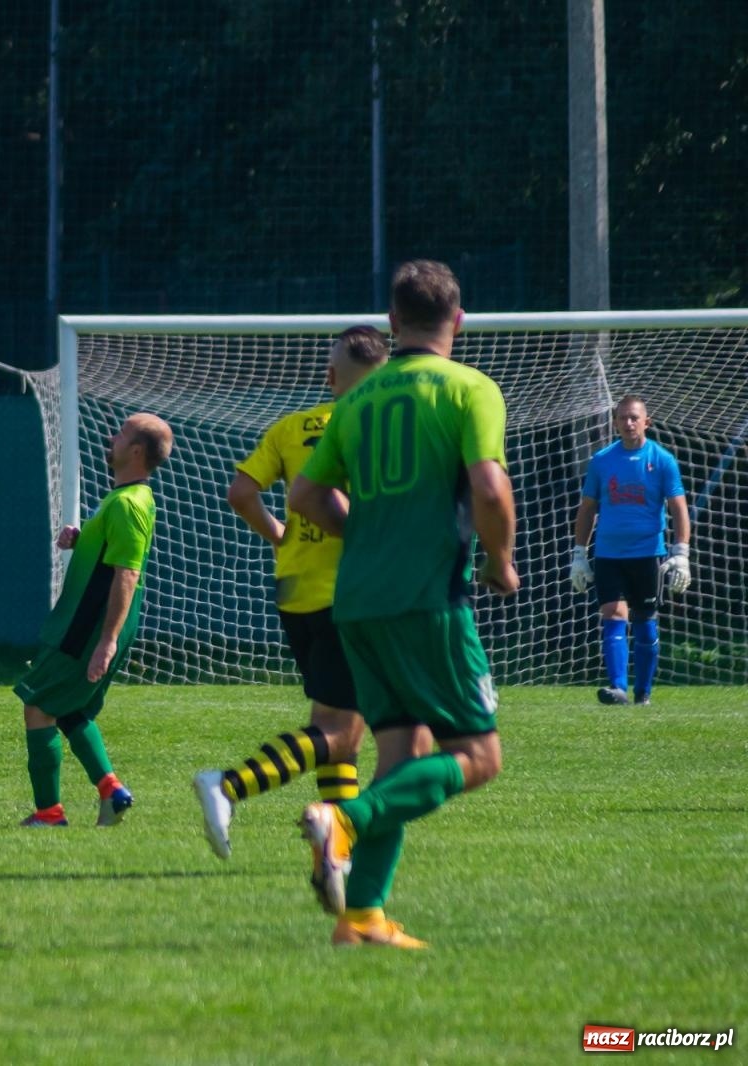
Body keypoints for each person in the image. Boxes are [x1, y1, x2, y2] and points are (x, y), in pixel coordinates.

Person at [288, 259, 518, 949]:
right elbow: (489, 484)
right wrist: (500, 562)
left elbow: (302, 496)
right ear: (459, 319)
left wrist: (368, 532)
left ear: (392, 323)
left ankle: (362, 918)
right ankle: (346, 819)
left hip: (356, 603)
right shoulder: (469, 388)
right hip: (428, 601)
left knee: (400, 754)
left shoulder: (356, 400)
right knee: (479, 755)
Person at [193, 326, 390, 859]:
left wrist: (279, 534)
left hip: (295, 592)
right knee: (343, 730)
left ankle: (336, 844)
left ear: (330, 376)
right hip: (349, 593)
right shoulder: (375, 428)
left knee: (336, 726)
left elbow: (241, 492)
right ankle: (229, 784)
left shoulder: (291, 427)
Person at [15, 412, 174, 828]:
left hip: (88, 625)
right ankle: (111, 790)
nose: (112, 437)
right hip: (92, 623)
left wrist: (107, 640)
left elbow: (127, 573)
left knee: (38, 704)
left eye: (121, 433)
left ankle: (49, 813)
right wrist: (81, 539)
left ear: (136, 451)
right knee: (70, 710)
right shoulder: (126, 498)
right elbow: (110, 558)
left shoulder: (127, 504)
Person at [569, 395, 691, 706]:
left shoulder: (662, 460)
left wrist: (681, 553)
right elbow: (587, 509)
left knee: (644, 619)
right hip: (609, 554)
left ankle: (644, 693)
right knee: (613, 613)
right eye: (622, 418)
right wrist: (579, 554)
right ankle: (618, 688)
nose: (628, 423)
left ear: (646, 422)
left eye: (634, 417)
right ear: (615, 423)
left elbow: (678, 508)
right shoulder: (602, 461)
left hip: (648, 553)